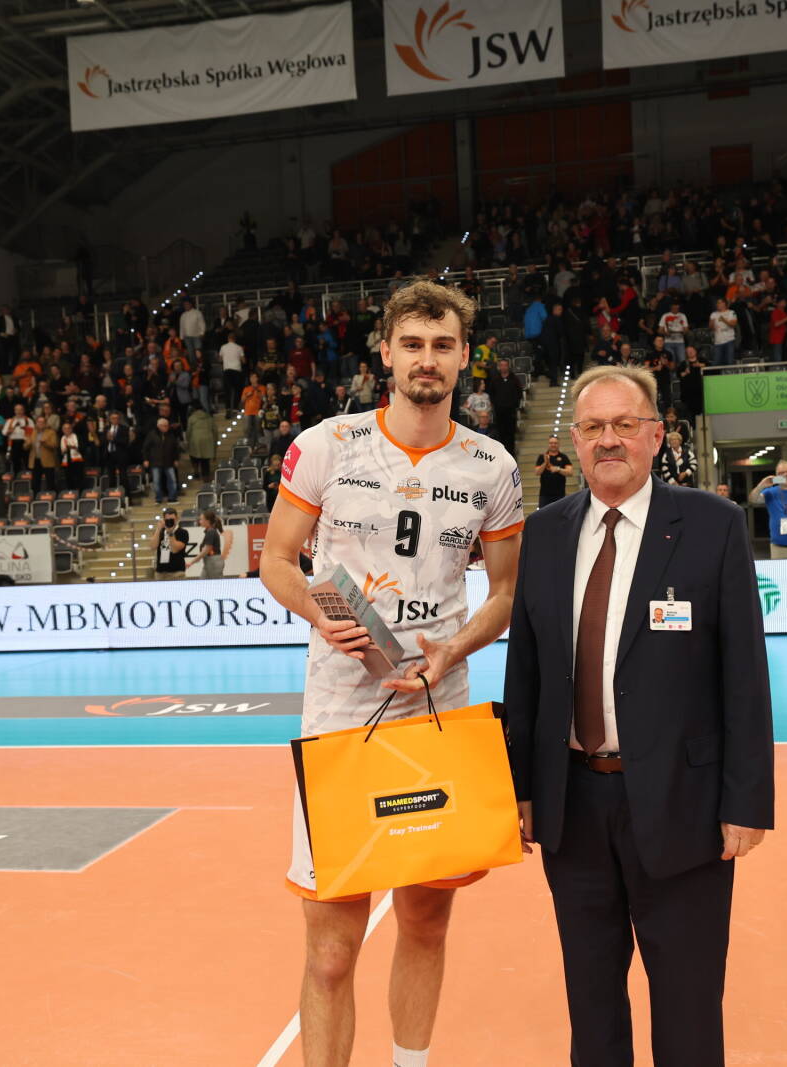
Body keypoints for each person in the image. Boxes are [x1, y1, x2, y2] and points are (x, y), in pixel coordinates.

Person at [259, 280, 524, 1067]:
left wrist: (454, 648)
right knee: (330, 949)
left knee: (426, 922)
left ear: (465, 357)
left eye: (442, 345)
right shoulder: (326, 445)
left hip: (437, 711)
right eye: (412, 344)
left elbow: (505, 594)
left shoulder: (492, 466)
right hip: (340, 713)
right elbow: (277, 560)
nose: (426, 359)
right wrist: (320, 615)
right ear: (386, 352)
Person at [504, 363, 772, 1066]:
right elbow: (526, 669)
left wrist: (747, 801)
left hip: (685, 805)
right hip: (572, 806)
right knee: (591, 1005)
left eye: (625, 425)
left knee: (687, 1006)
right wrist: (522, 788)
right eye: (593, 427)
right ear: (574, 440)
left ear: (657, 435)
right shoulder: (545, 532)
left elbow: (745, 675)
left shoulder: (712, 525)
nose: (608, 440)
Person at [488, 357, 523, 458]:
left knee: (511, 434)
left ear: (508, 366)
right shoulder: (495, 379)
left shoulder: (514, 379)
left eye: (505, 365)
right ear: (499, 367)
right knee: (501, 434)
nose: (503, 367)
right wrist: (496, 404)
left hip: (511, 411)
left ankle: (512, 455)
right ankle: (503, 456)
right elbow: (491, 394)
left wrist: (515, 404)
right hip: (499, 411)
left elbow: (519, 393)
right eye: (501, 365)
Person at [142, 417, 181, 504]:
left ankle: (172, 498)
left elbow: (175, 448)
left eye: (167, 425)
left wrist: (176, 459)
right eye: (164, 426)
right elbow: (145, 448)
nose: (166, 427)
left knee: (172, 480)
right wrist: (146, 459)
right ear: (159, 426)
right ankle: (158, 498)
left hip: (169, 461)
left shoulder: (171, 435)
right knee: (156, 481)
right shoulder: (152, 435)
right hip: (155, 462)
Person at [534, 435, 574, 508]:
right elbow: (537, 472)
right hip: (544, 494)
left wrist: (558, 469)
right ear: (548, 444)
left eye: (555, 443)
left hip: (560, 494)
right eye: (551, 443)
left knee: (559, 514)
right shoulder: (542, 457)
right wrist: (545, 463)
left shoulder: (563, 457)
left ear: (558, 444)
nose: (553, 445)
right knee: (544, 514)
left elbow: (570, 472)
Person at [152, 505, 189, 578]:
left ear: (177, 519)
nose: (170, 522)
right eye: (167, 520)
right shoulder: (160, 532)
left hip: (177, 571)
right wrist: (158, 529)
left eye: (172, 520)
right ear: (164, 520)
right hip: (160, 571)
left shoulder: (182, 532)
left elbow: (175, 549)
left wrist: (170, 533)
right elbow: (152, 546)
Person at [197, 508, 231, 578]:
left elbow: (206, 550)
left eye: (201, 519)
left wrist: (192, 561)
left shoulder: (211, 532)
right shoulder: (210, 532)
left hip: (213, 562)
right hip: (210, 562)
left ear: (207, 521)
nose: (199, 521)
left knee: (216, 583)